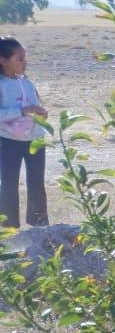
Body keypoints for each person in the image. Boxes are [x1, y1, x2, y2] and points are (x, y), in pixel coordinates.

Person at [0, 37, 49, 228]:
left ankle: (40, 228)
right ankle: (8, 231)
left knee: (36, 184)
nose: (24, 62)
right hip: (8, 142)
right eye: (19, 59)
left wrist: (41, 114)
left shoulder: (27, 82)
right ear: (3, 61)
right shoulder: (1, 85)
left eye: (25, 58)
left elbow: (34, 106)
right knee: (9, 185)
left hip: (35, 140)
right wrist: (23, 111)